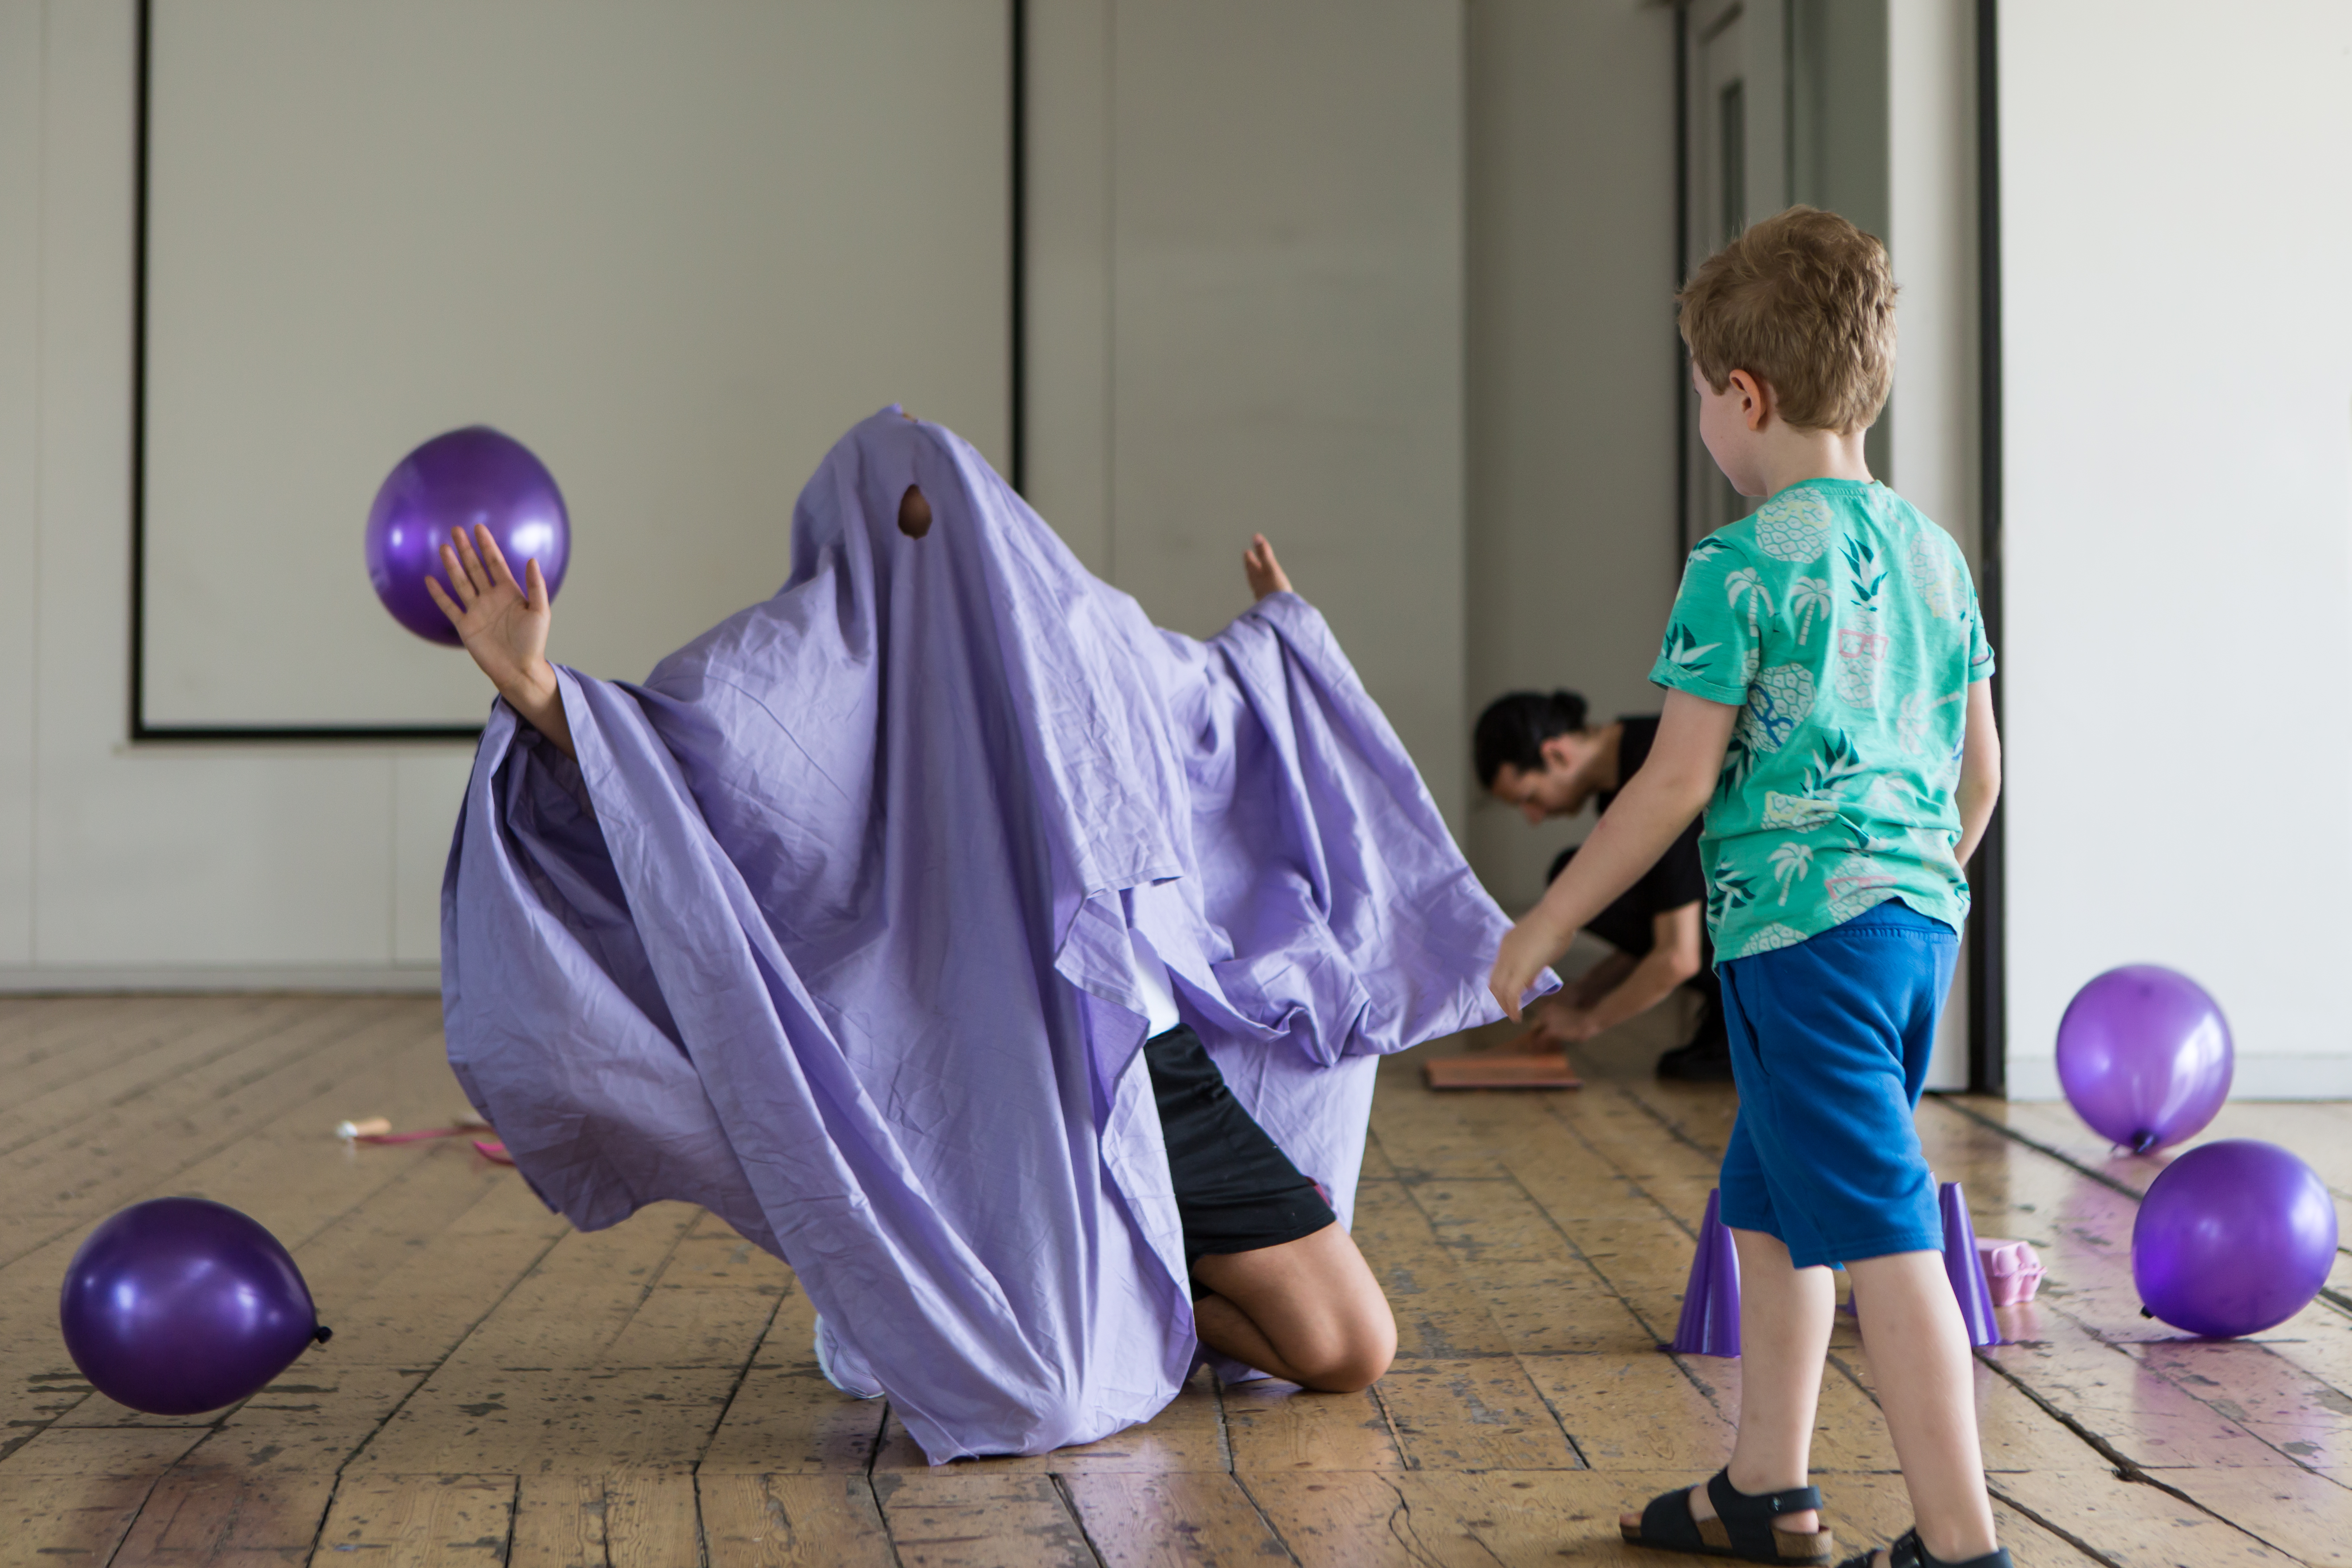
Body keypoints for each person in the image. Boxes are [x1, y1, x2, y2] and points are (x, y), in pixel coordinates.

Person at [419, 408, 1511, 1458]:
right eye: (898, 514)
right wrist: (536, 685)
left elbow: (1210, 709)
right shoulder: (812, 661)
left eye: (944, 512)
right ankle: (1121, 1313)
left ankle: (1151, 1299)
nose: (926, 539)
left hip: (1147, 1055)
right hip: (987, 1089)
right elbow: (689, 763)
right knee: (1038, 1387)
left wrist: (1281, 640)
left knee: (1350, 1349)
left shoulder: (1069, 627)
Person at [1489, 207, 2006, 1568]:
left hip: (1804, 936)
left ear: (1743, 394)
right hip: (1909, 926)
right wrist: (1907, 889)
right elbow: (1977, 777)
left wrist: (1539, 919)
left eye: (1699, 404)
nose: (1703, 432)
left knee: (1882, 1224)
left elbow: (1667, 785)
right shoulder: (1932, 558)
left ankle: (1960, 1543)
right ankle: (1761, 1488)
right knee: (1770, 1199)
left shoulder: (1737, 564)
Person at [1474, 691, 1731, 1078]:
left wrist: (1588, 1022)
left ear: (1556, 755)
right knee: (1582, 875)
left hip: (1778, 934)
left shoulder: (1656, 767)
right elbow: (1668, 914)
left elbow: (1678, 955)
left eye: (1530, 797)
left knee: (1573, 875)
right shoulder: (1633, 761)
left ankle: (1736, 1015)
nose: (1533, 816)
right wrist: (1586, 992)